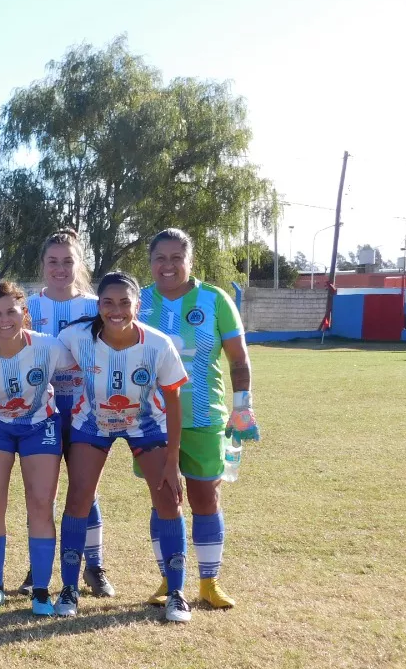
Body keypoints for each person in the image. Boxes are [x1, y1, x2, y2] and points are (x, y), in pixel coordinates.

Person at [56, 272, 191, 623]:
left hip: (146, 425)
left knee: (168, 499)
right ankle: (68, 588)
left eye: (124, 303)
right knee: (78, 499)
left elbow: (174, 402)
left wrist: (172, 458)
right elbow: (41, 356)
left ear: (138, 305)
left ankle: (177, 593)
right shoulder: (75, 336)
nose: (116, 310)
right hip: (91, 424)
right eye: (108, 303)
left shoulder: (158, 344)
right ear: (98, 305)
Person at [138, 228, 259, 611]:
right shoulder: (139, 300)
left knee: (205, 497)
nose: (168, 265)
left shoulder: (215, 299)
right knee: (164, 502)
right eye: (160, 258)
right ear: (151, 262)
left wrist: (243, 406)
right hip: (152, 420)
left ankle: (209, 582)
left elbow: (238, 359)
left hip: (204, 416)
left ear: (190, 261)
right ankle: (167, 579)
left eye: (177, 258)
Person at [0, 281, 70, 614]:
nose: (5, 319)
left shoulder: (50, 347)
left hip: (40, 425)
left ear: (24, 313)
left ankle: (41, 591)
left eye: (11, 311)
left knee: (40, 504)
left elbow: (81, 363)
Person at [25, 229, 112, 598]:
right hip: (38, 411)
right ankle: (39, 566)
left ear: (79, 264)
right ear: (43, 265)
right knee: (41, 492)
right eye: (52, 261)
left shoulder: (96, 306)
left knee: (84, 489)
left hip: (84, 409)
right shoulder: (27, 305)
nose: (60, 268)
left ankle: (94, 566)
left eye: (68, 261)